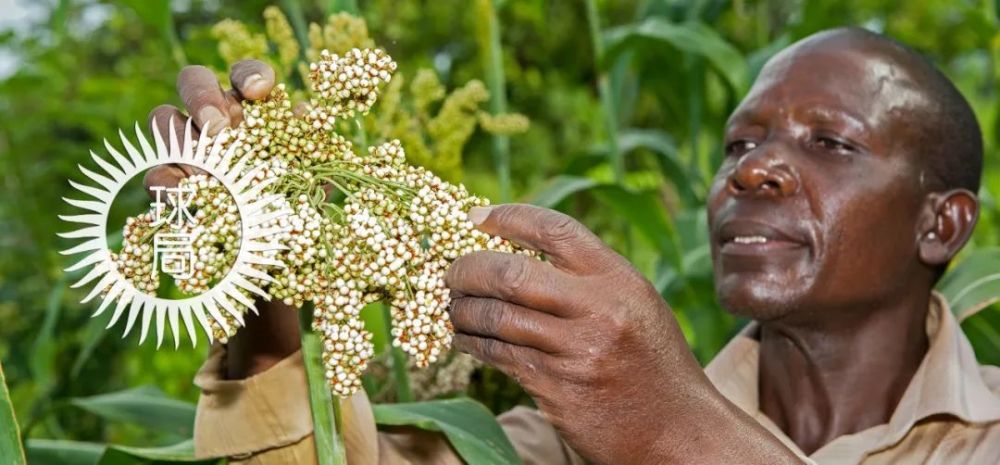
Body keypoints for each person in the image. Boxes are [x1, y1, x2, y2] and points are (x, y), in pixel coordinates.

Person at [145, 27, 1000, 464]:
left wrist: (674, 432)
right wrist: (264, 281)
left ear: (942, 223)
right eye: (738, 144)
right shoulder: (559, 436)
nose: (755, 171)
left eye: (831, 143)